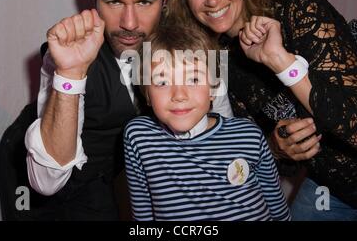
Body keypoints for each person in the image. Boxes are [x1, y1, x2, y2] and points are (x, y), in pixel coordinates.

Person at [23, 0, 232, 221]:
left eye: (145, 2)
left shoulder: (195, 47)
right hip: (74, 199)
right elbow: (46, 183)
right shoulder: (67, 54)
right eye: (113, 1)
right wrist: (71, 73)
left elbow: (222, 136)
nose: (130, 23)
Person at [166, 0, 357, 220]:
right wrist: (277, 147)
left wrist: (280, 61)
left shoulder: (300, 11)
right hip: (332, 188)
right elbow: (254, 158)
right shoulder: (218, 64)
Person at [124, 24, 291, 221]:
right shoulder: (139, 137)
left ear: (213, 88)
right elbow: (142, 215)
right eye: (162, 82)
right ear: (147, 95)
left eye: (193, 79)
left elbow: (277, 206)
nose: (179, 95)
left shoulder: (248, 135)